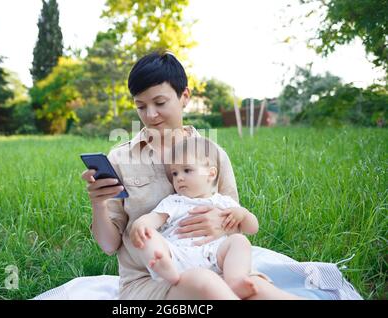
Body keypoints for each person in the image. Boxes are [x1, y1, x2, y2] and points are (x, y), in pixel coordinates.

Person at [82, 51, 304, 299]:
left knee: (261, 290)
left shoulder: (213, 154)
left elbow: (236, 225)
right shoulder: (121, 159)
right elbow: (109, 245)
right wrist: (98, 204)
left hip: (215, 266)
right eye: (141, 106)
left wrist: (222, 225)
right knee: (204, 285)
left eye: (160, 103)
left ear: (184, 96)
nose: (150, 115)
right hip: (150, 282)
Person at [130, 136, 262, 299]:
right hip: (177, 255)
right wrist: (141, 224)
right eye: (175, 173)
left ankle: (235, 279)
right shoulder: (174, 201)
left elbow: (252, 228)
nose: (179, 178)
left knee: (240, 242)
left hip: (215, 255)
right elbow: (154, 218)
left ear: (211, 173)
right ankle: (166, 269)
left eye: (187, 170)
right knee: (149, 236)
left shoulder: (224, 202)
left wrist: (243, 214)